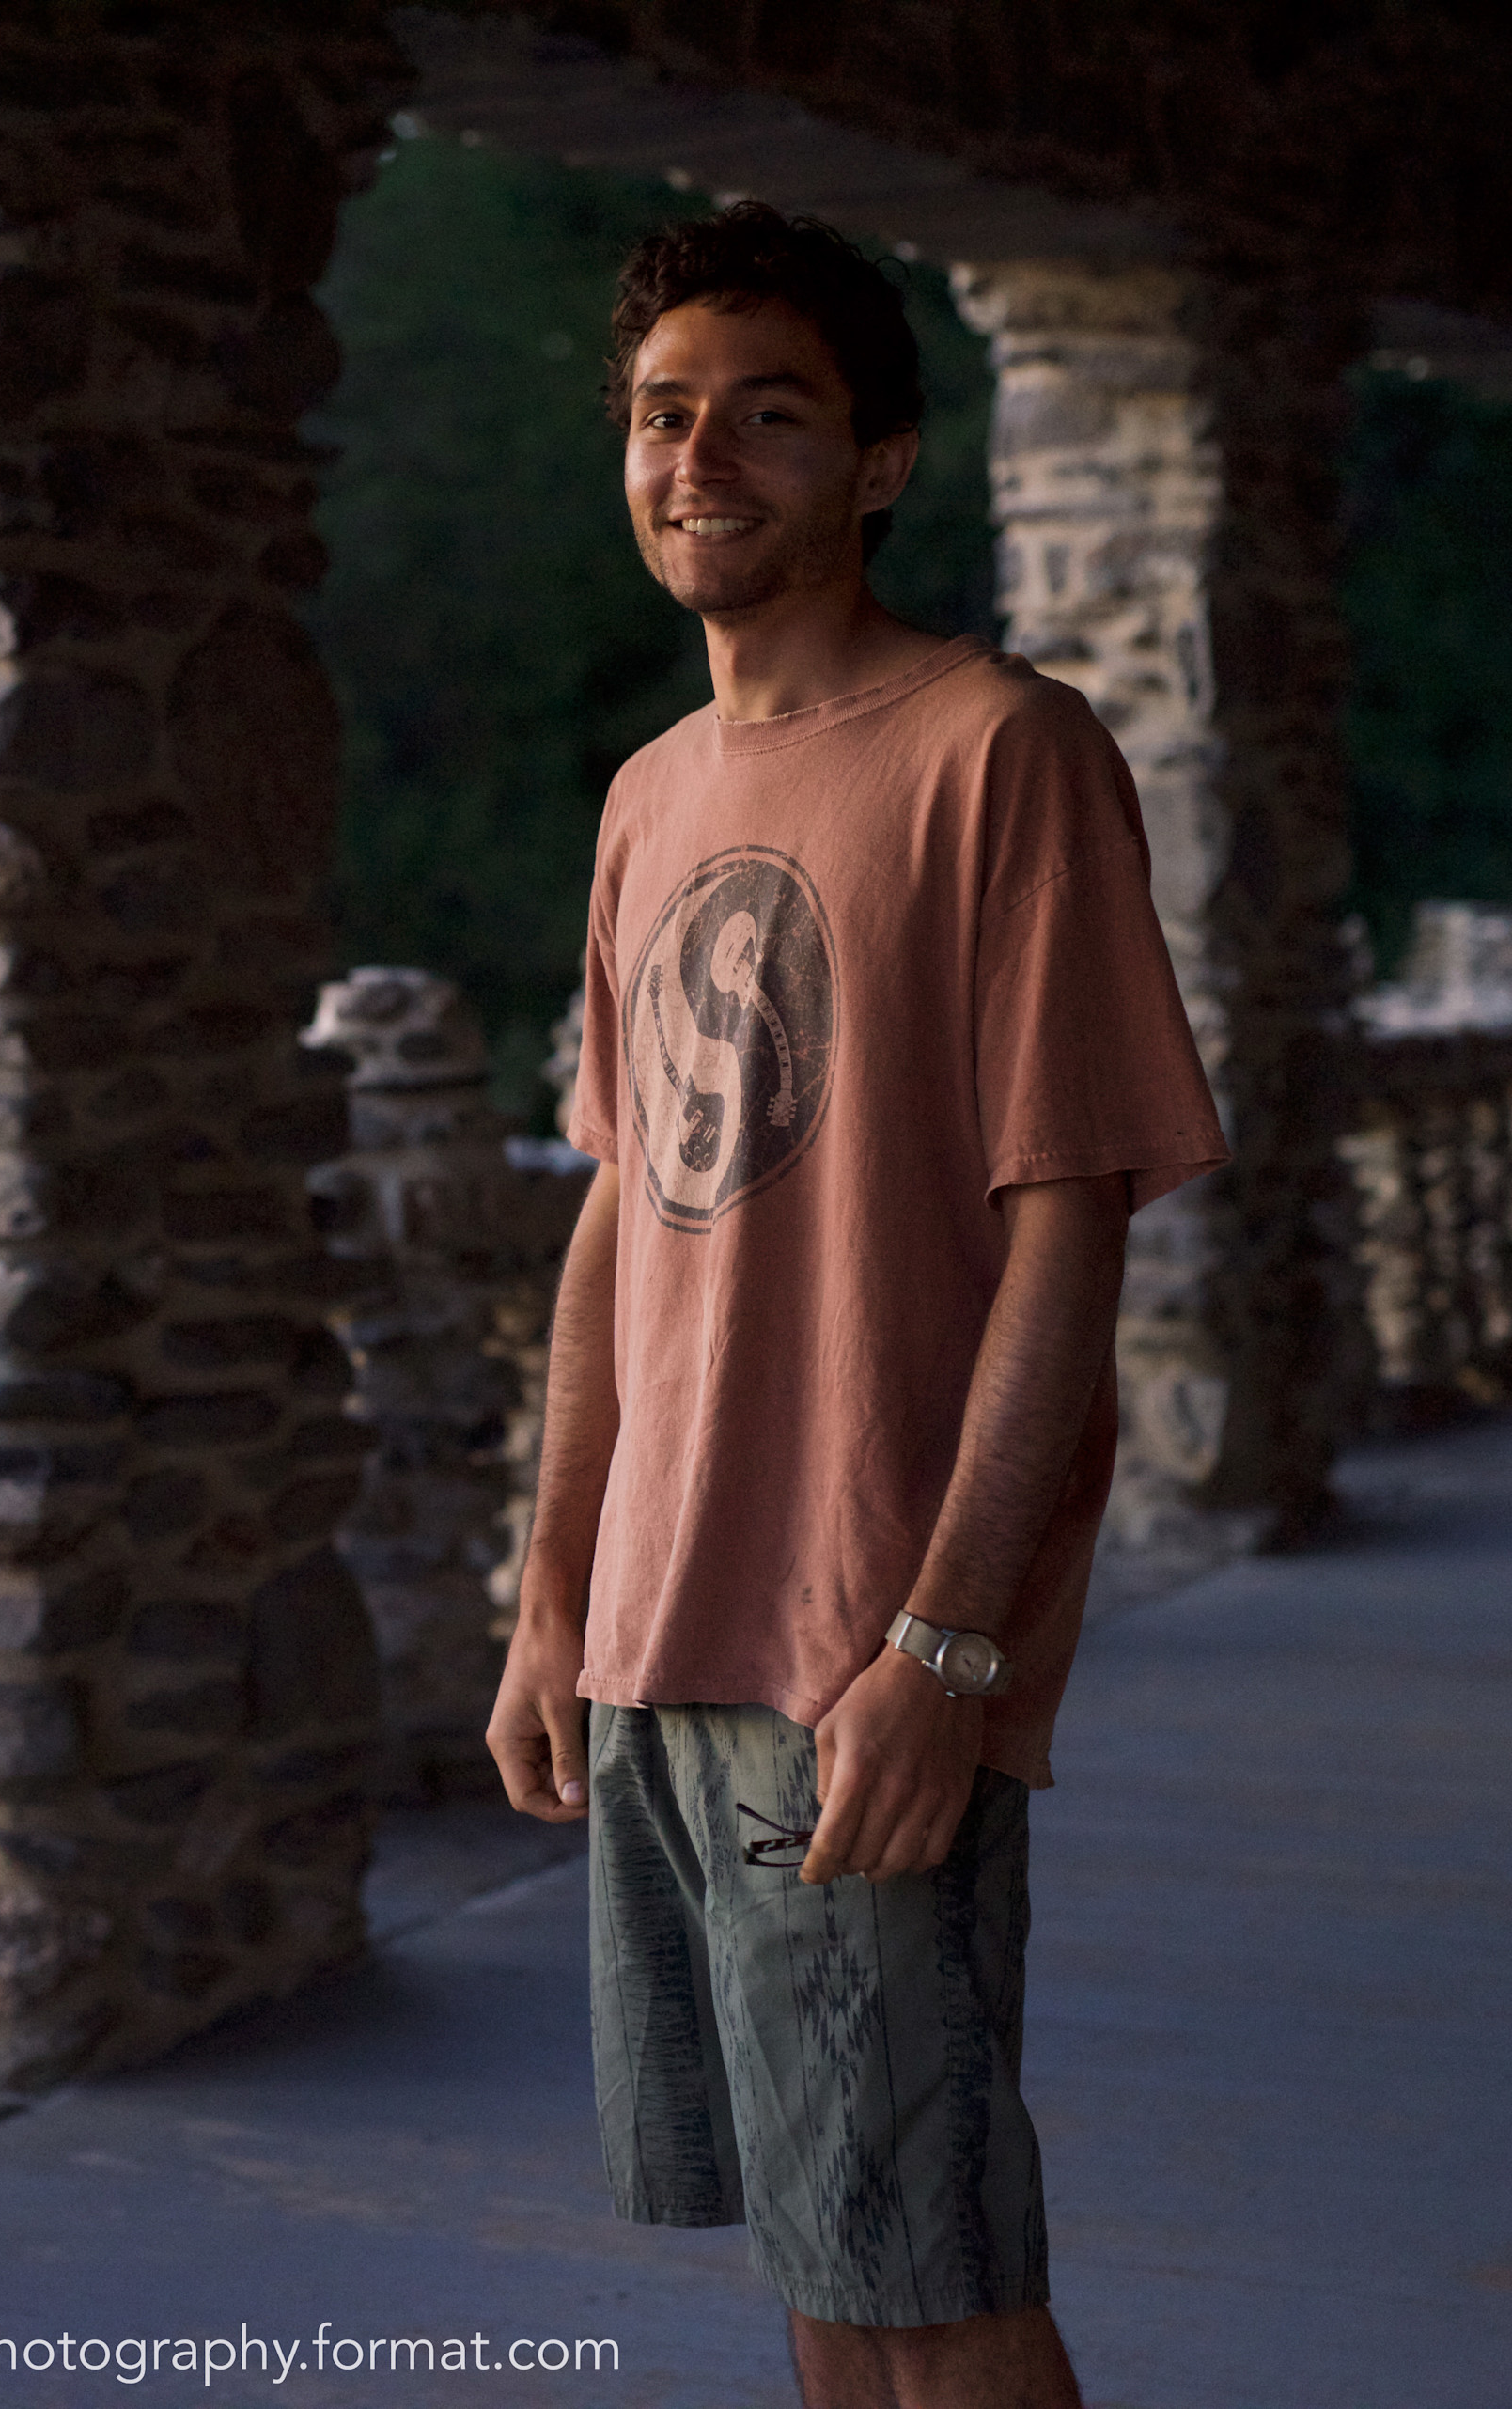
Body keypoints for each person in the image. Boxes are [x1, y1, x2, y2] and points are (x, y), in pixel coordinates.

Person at [486, 202, 1228, 2409]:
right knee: (830, 2257)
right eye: (659, 412)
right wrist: (548, 1599)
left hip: (863, 1643)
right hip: (656, 1637)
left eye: (767, 414)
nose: (697, 455)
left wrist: (947, 1648)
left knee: (948, 2278)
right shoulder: (646, 795)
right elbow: (624, 1213)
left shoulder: (1004, 751)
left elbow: (1067, 1230)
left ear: (883, 461)